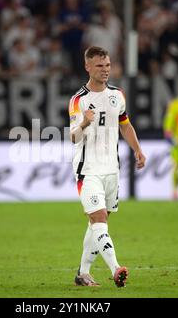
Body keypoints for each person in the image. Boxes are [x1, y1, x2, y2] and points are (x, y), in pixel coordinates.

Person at [68, 46, 146, 287]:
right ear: (87, 67)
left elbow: (125, 125)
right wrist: (83, 123)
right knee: (99, 218)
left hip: (112, 169)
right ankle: (116, 269)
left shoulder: (117, 95)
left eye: (108, 65)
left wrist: (137, 149)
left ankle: (83, 273)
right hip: (88, 170)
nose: (105, 70)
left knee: (98, 224)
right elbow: (73, 137)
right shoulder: (78, 100)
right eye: (100, 66)